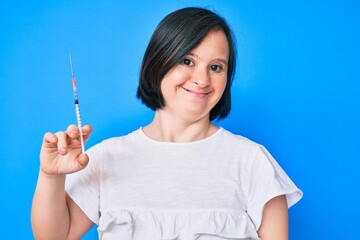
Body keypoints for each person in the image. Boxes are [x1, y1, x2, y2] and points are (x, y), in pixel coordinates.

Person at [31, 7, 302, 240]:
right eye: (187, 61)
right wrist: (51, 176)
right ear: (158, 62)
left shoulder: (252, 161)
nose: (203, 79)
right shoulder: (106, 158)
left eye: (216, 67)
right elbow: (54, 236)